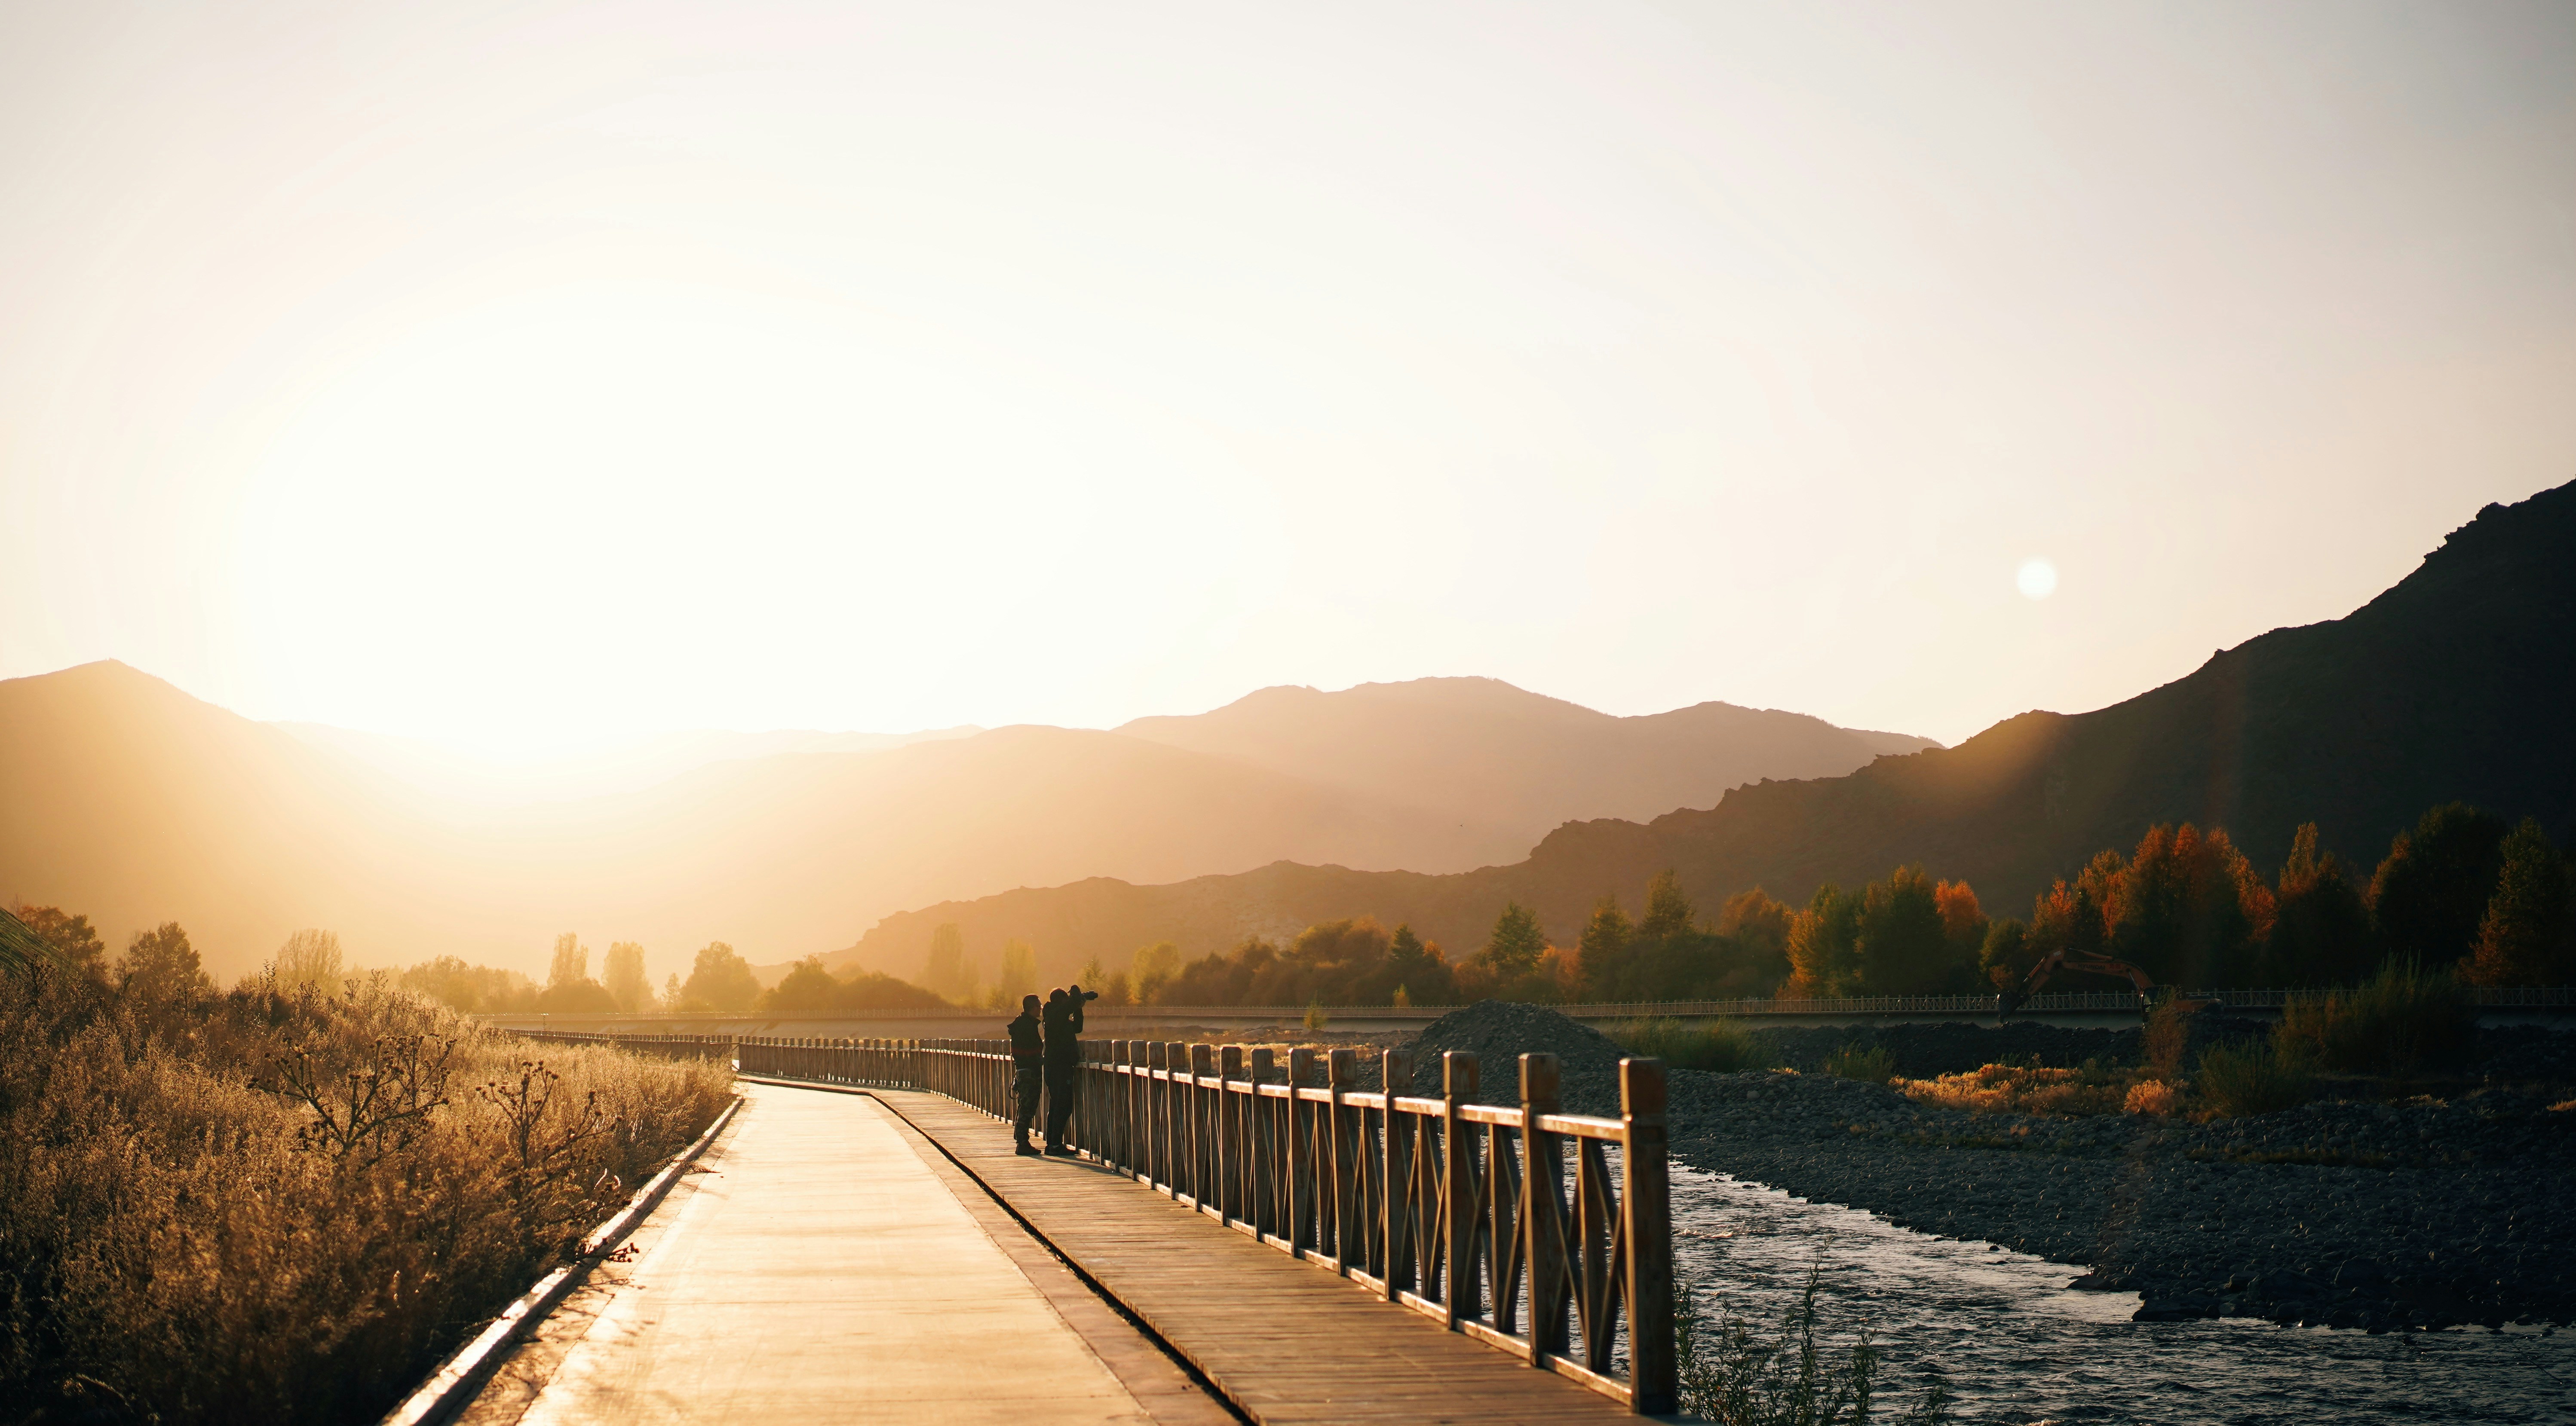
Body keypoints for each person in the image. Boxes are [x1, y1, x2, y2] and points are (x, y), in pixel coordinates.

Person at [1039, 983, 1098, 1156]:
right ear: (1062, 1003)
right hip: (1059, 1067)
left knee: (1058, 1105)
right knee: (1062, 1106)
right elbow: (1067, 1008)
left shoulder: (1056, 1018)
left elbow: (1077, 1028)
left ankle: (1053, 1144)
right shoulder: (1054, 1015)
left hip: (1057, 1066)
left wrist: (1079, 1007)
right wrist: (1076, 999)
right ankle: (1055, 1145)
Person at [1006, 993, 1045, 1156]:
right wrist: (1041, 1060)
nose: (1040, 1009)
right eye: (1038, 1006)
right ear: (1031, 1008)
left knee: (1025, 1106)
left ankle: (1021, 1139)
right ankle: (1022, 1142)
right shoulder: (1026, 1026)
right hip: (1029, 1071)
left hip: (1023, 1070)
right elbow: (1029, 1051)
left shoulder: (1022, 1024)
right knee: (1028, 1107)